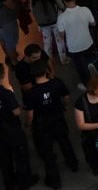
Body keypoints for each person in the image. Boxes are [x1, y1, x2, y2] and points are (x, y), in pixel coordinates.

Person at [23, 60, 78, 189]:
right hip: (58, 119)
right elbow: (66, 97)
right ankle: (73, 164)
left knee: (47, 152)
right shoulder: (56, 83)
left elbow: (30, 115)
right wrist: (65, 106)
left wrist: (28, 124)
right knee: (65, 141)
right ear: (46, 70)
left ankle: (54, 181)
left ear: (32, 74)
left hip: (42, 125)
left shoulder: (30, 93)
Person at [0, 62, 38, 190]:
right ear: (2, 75)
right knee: (20, 156)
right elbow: (16, 111)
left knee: (4, 159)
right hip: (12, 130)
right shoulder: (6, 93)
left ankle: (8, 183)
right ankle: (24, 181)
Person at [56, 0, 97, 88]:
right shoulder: (85, 10)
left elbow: (61, 35)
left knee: (80, 68)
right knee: (91, 63)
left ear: (64, 1)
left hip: (74, 47)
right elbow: (93, 23)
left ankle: (87, 85)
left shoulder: (61, 17)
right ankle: (97, 81)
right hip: (88, 43)